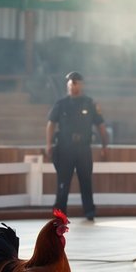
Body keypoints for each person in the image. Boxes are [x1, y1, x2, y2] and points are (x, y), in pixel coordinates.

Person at [46, 71, 109, 221]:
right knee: (63, 182)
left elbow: (101, 126)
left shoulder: (89, 103)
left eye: (76, 82)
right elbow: (51, 124)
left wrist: (104, 145)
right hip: (65, 148)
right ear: (67, 84)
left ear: (82, 84)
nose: (73, 85)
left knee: (86, 180)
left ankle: (89, 211)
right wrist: (48, 144)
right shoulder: (61, 104)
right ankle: (59, 214)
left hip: (83, 148)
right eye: (71, 82)